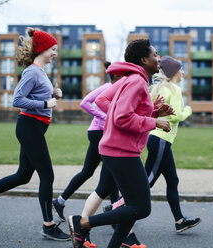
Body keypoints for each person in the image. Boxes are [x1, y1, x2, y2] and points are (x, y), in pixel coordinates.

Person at [67, 39, 173, 248]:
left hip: (118, 149)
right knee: (142, 208)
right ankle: (83, 223)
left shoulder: (130, 79)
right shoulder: (136, 82)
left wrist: (153, 112)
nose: (158, 59)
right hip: (121, 152)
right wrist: (155, 121)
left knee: (132, 207)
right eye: (154, 55)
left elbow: (121, 112)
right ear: (144, 60)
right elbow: (122, 118)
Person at [0, 27, 70, 241]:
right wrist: (45, 102)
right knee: (47, 175)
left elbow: (38, 96)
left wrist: (53, 94)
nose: (54, 53)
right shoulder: (32, 71)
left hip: (35, 127)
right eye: (52, 49)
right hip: (29, 126)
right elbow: (17, 100)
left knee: (23, 175)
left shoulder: (41, 73)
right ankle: (48, 225)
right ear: (42, 49)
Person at [104, 56, 201, 240]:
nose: (183, 73)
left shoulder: (155, 88)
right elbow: (175, 115)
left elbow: (149, 111)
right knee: (147, 181)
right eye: (180, 69)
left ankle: (180, 221)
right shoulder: (174, 89)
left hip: (157, 139)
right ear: (173, 72)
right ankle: (115, 208)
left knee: (172, 180)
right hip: (161, 139)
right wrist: (188, 110)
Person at [51, 61, 122, 247]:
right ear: (115, 75)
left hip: (100, 133)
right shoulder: (108, 87)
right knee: (110, 174)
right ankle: (114, 217)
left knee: (90, 171)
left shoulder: (117, 88)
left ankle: (60, 200)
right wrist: (105, 117)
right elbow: (85, 102)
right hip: (99, 133)